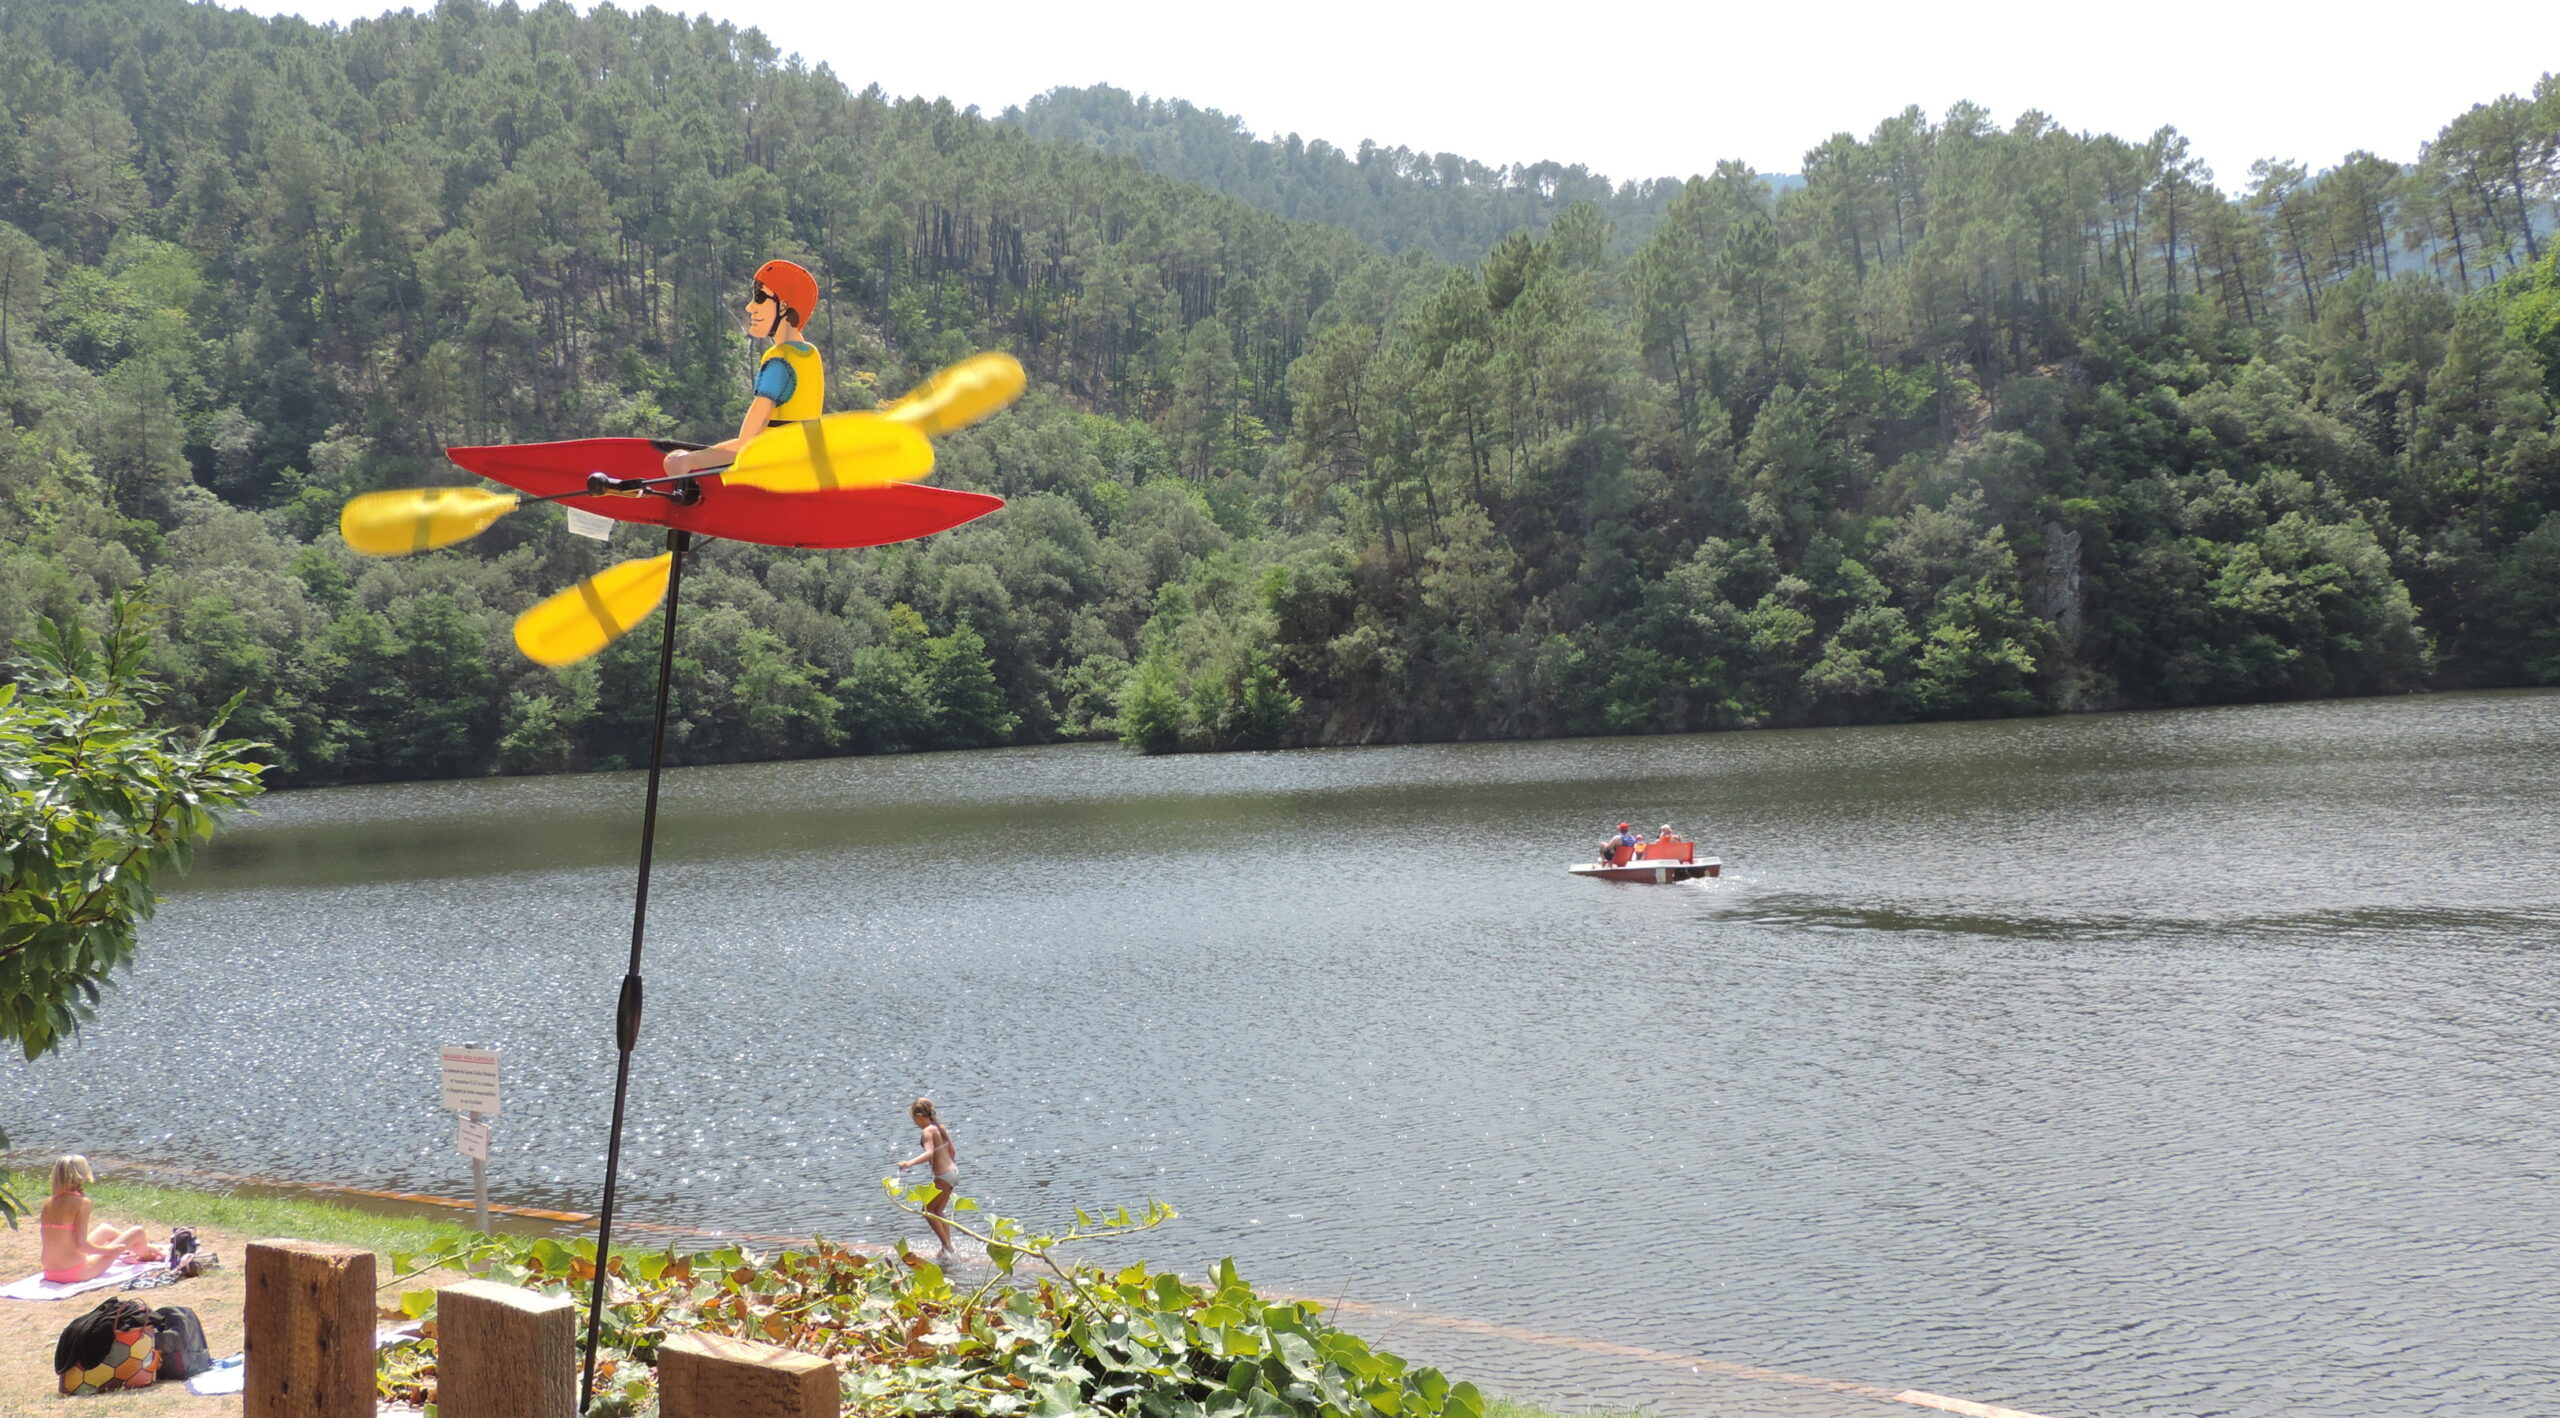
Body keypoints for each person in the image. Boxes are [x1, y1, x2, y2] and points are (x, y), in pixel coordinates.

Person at [660, 258, 825, 480]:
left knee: (678, 461)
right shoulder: (810, 354)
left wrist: (689, 460)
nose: (750, 307)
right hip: (806, 467)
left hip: (776, 474)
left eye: (759, 297)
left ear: (784, 307)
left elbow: (745, 444)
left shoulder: (778, 364)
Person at [37, 1156, 161, 1284]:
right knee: (137, 1231)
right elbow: (82, 1245)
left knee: (105, 1230)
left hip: (50, 1271)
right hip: (74, 1272)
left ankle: (146, 1246)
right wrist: (109, 1251)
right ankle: (148, 1256)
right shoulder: (81, 1203)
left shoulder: (48, 1203)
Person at [895, 1098, 959, 1263]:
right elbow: (953, 1151)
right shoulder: (940, 1127)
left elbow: (929, 1153)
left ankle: (948, 1249)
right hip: (953, 1172)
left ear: (920, 1116)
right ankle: (947, 1246)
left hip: (944, 1175)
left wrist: (909, 1163)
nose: (915, 1123)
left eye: (914, 1119)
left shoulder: (928, 1132)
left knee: (927, 1210)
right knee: (938, 1211)